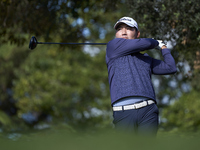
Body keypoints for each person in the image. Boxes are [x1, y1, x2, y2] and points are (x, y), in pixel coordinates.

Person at [106, 17, 177, 135]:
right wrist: (155, 42)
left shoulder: (146, 59)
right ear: (116, 34)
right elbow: (147, 43)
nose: (123, 32)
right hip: (123, 113)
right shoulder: (112, 47)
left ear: (137, 33)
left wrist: (163, 47)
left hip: (148, 110)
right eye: (119, 29)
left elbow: (171, 67)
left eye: (128, 29)